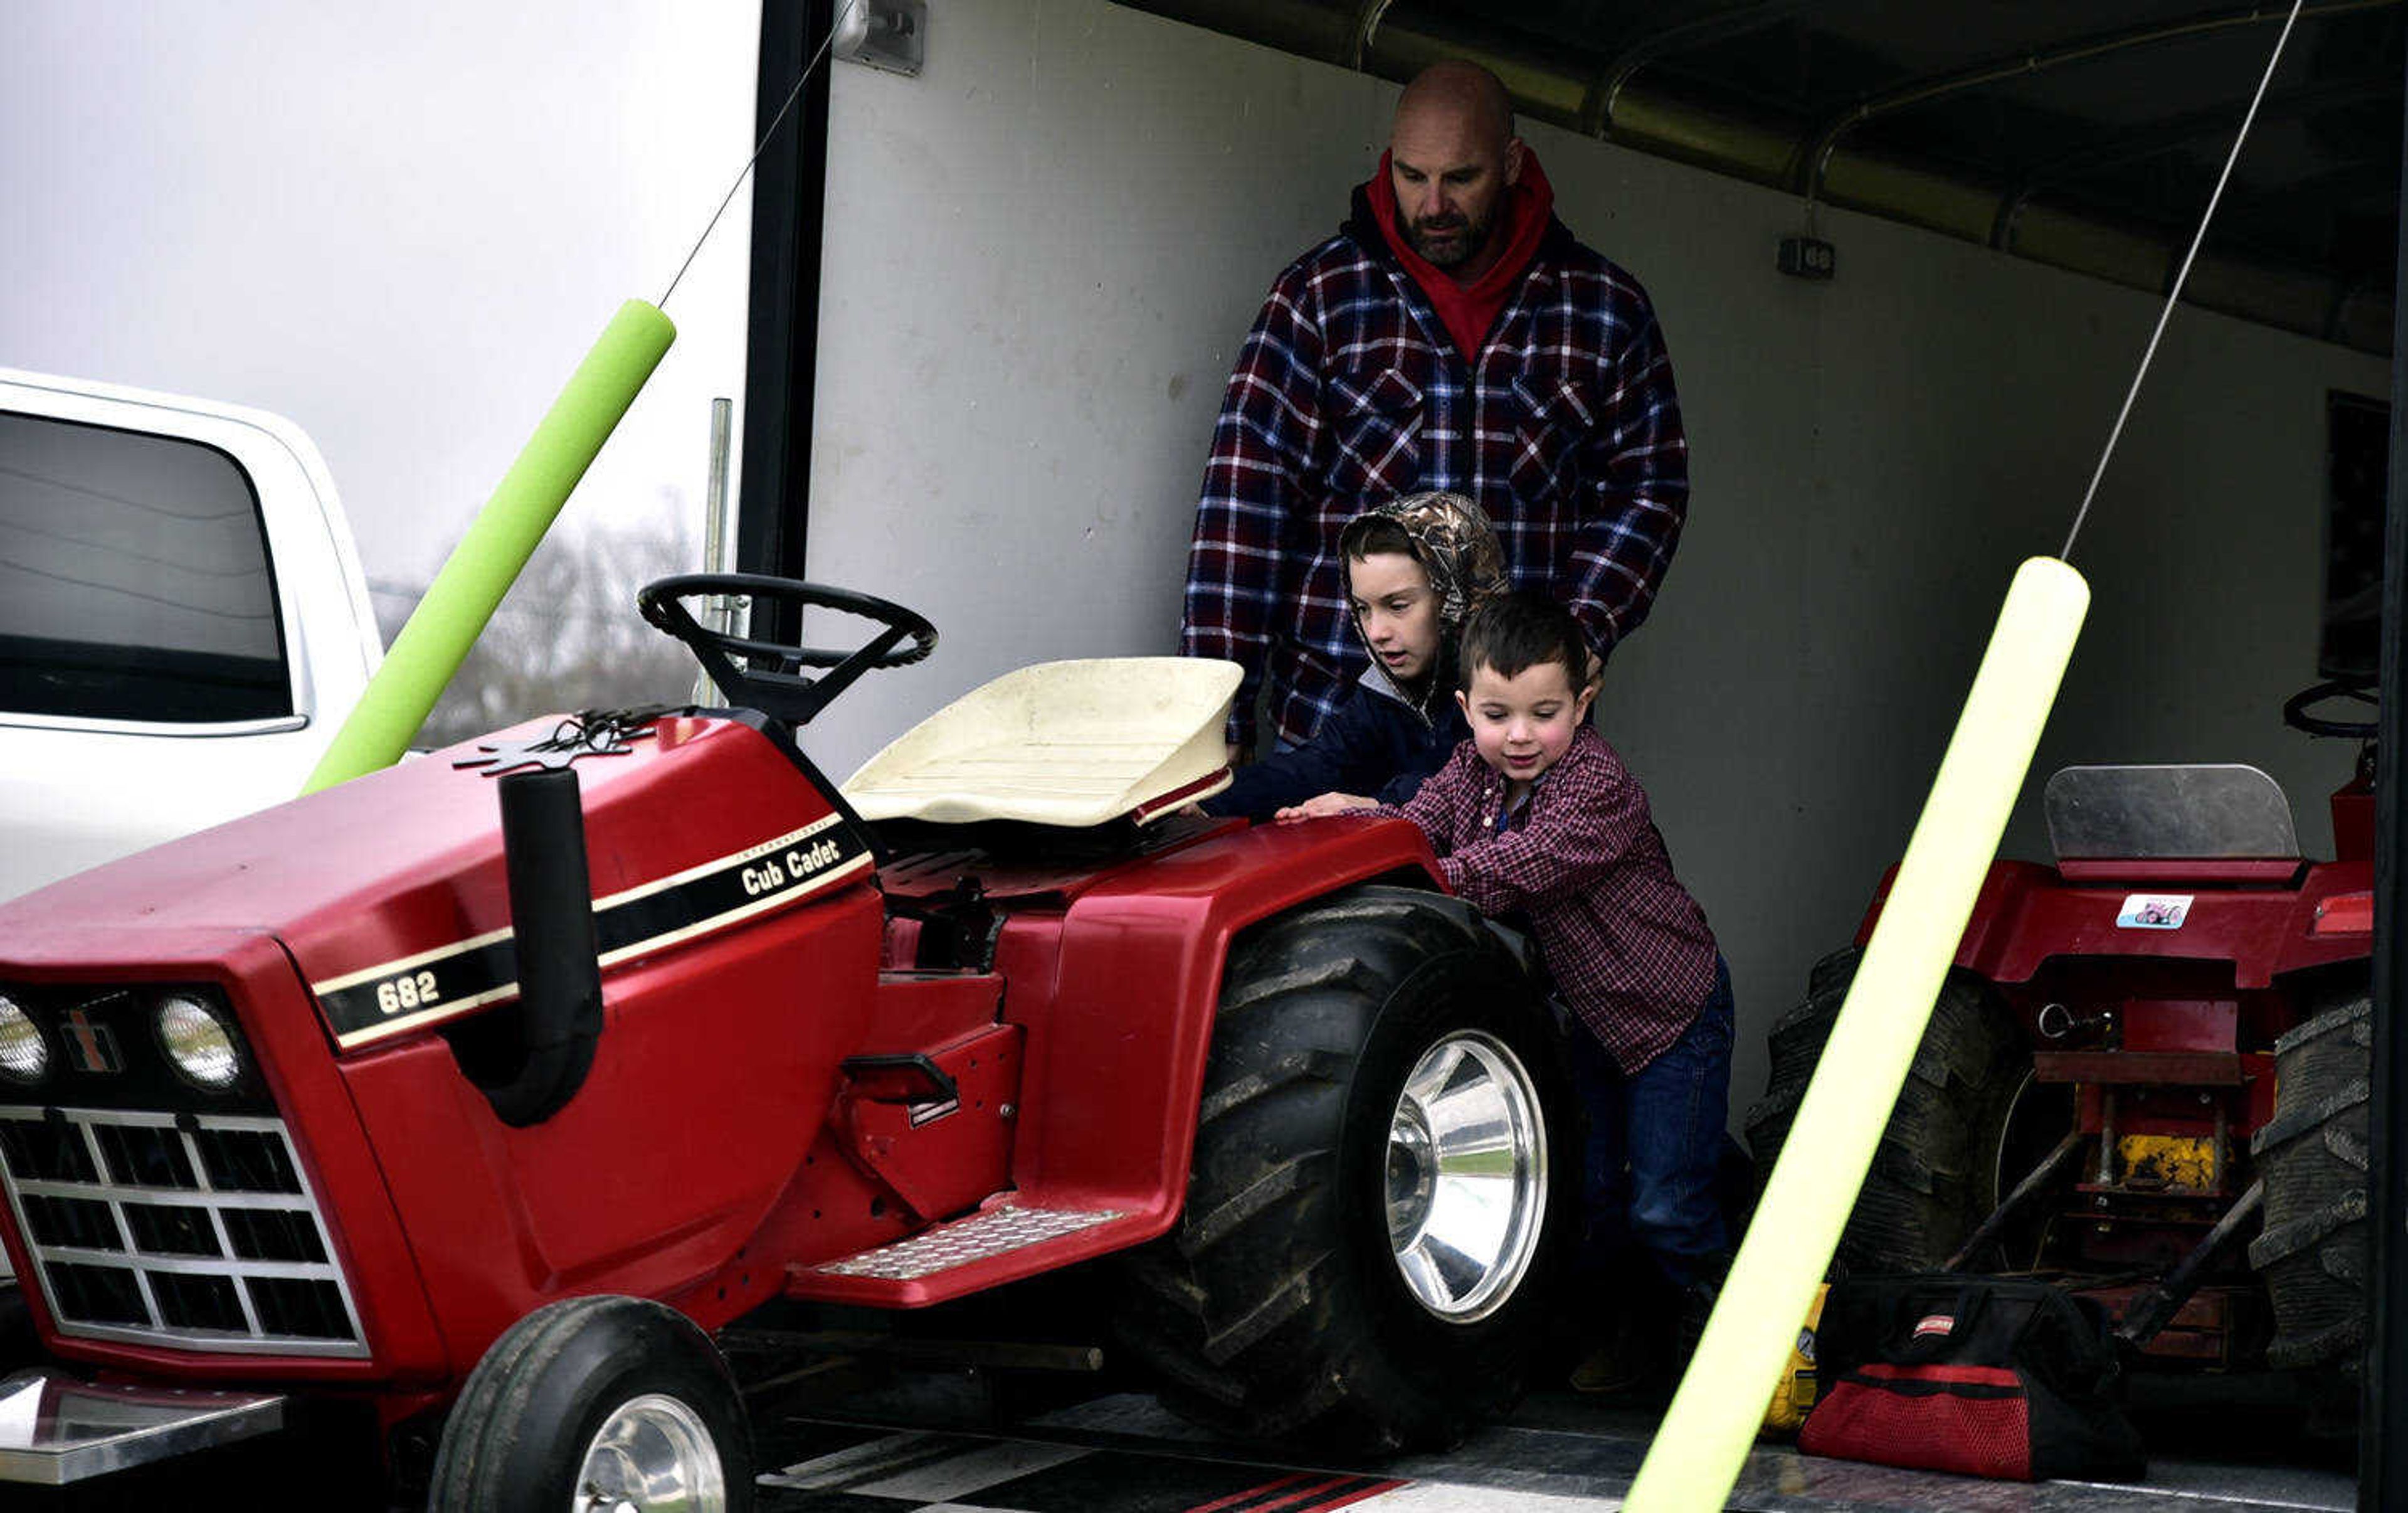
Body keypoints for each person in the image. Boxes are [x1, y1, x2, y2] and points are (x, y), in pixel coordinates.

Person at [1180, 58, 1689, 763]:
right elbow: (1244, 513)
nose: (1433, 205)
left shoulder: (1604, 310)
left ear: (1511, 163)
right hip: (1338, 729)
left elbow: (1649, 489)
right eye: (1411, 176)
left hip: (1516, 750)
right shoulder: (1320, 297)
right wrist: (1216, 730)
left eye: (1461, 178)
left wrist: (1577, 634)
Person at [1294, 591, 1731, 1393]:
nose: (1520, 736)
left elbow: (1518, 867)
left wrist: (1413, 875)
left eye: (1544, 712)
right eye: (1497, 714)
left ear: (1582, 704)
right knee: (1589, 1197)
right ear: (1466, 709)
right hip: (1592, 1023)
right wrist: (1356, 832)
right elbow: (1417, 822)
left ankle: (1746, 1346)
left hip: (1672, 1017)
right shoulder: (1470, 772)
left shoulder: (1596, 787)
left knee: (1668, 1206)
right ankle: (1628, 1341)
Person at [1200, 492, 1505, 822]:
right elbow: (1319, 764)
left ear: (1454, 599)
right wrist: (1207, 801)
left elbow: (1480, 779)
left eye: (1397, 606)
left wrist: (1379, 806)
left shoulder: (1519, 686)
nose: (1376, 633)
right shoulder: (1385, 689)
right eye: (1363, 608)